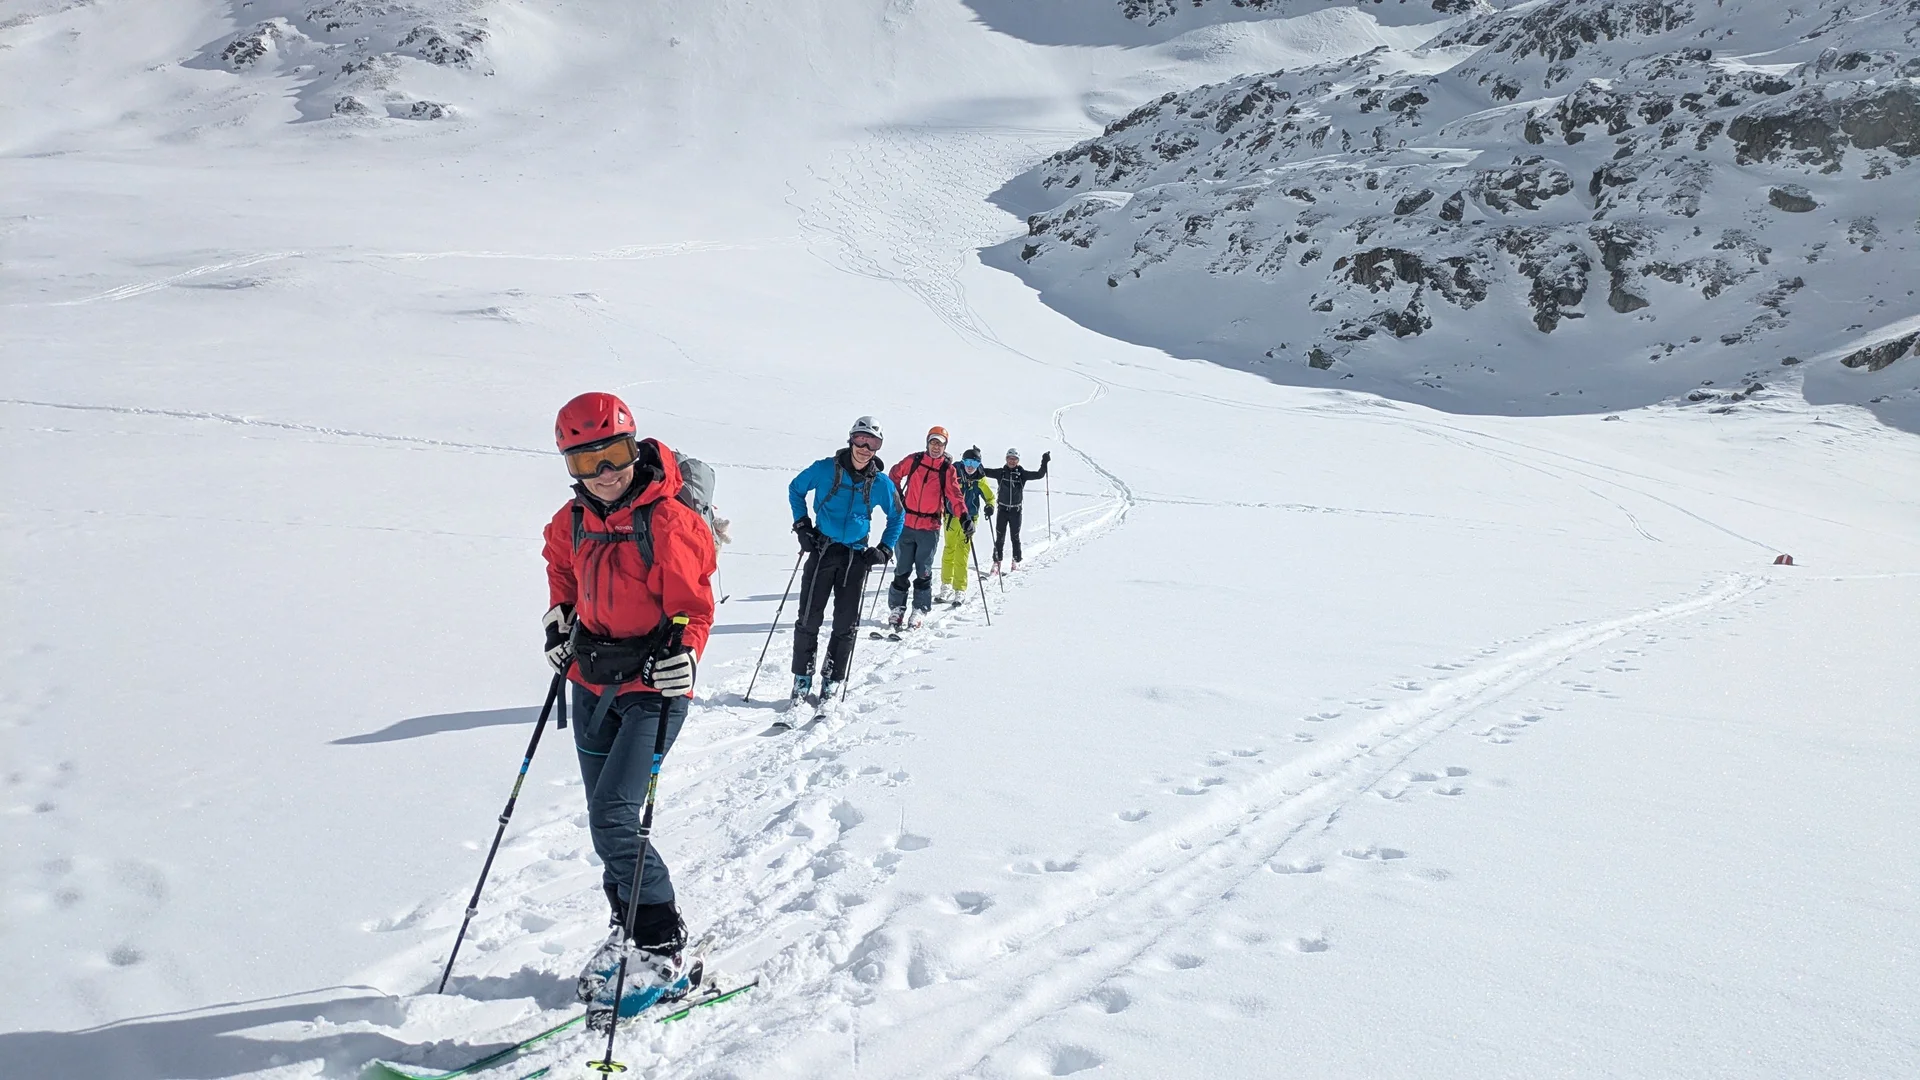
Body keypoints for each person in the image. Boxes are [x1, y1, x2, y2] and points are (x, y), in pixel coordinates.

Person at [540, 392, 717, 1017]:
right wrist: (560, 618)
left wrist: (687, 652)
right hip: (591, 683)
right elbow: (560, 567)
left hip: (652, 689)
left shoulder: (669, 522)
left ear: (633, 445)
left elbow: (694, 607)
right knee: (603, 821)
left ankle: (662, 946)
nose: (604, 472)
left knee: (615, 818)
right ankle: (628, 929)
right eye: (585, 462)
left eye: (612, 454)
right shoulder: (573, 520)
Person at [788, 417, 905, 701]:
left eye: (872, 443)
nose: (865, 447)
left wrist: (885, 549)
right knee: (808, 617)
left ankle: (832, 679)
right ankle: (802, 678)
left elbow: (897, 516)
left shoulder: (882, 483)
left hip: (856, 557)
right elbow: (796, 489)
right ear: (850, 439)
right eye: (861, 439)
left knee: (846, 622)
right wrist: (802, 525)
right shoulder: (825, 469)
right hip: (823, 550)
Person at [886, 426, 971, 629]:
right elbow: (894, 474)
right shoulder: (914, 460)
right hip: (906, 523)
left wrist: (965, 516)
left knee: (923, 571)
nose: (936, 447)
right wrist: (898, 497)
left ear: (945, 446)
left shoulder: (947, 470)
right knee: (902, 569)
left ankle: (919, 609)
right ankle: (897, 608)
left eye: (940, 443)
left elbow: (955, 496)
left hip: (929, 527)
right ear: (927, 442)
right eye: (933, 442)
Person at [979, 447, 1050, 572]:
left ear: (1018, 460)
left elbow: (1039, 475)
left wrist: (1044, 462)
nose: (1012, 461)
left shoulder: (1022, 474)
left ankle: (1016, 560)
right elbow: (982, 471)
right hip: (1002, 509)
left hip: (1015, 511)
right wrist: (977, 456)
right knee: (1000, 537)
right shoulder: (1000, 472)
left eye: (1014, 459)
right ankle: (997, 562)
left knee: (1015, 537)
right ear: (1006, 459)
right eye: (1010, 458)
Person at [938, 447, 995, 603]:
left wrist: (990, 506)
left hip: (969, 520)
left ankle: (960, 588)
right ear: (963, 461)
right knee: (949, 550)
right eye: (968, 462)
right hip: (951, 517)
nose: (971, 466)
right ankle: (946, 585)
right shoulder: (953, 473)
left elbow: (990, 497)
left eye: (975, 463)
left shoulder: (980, 479)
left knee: (962, 553)